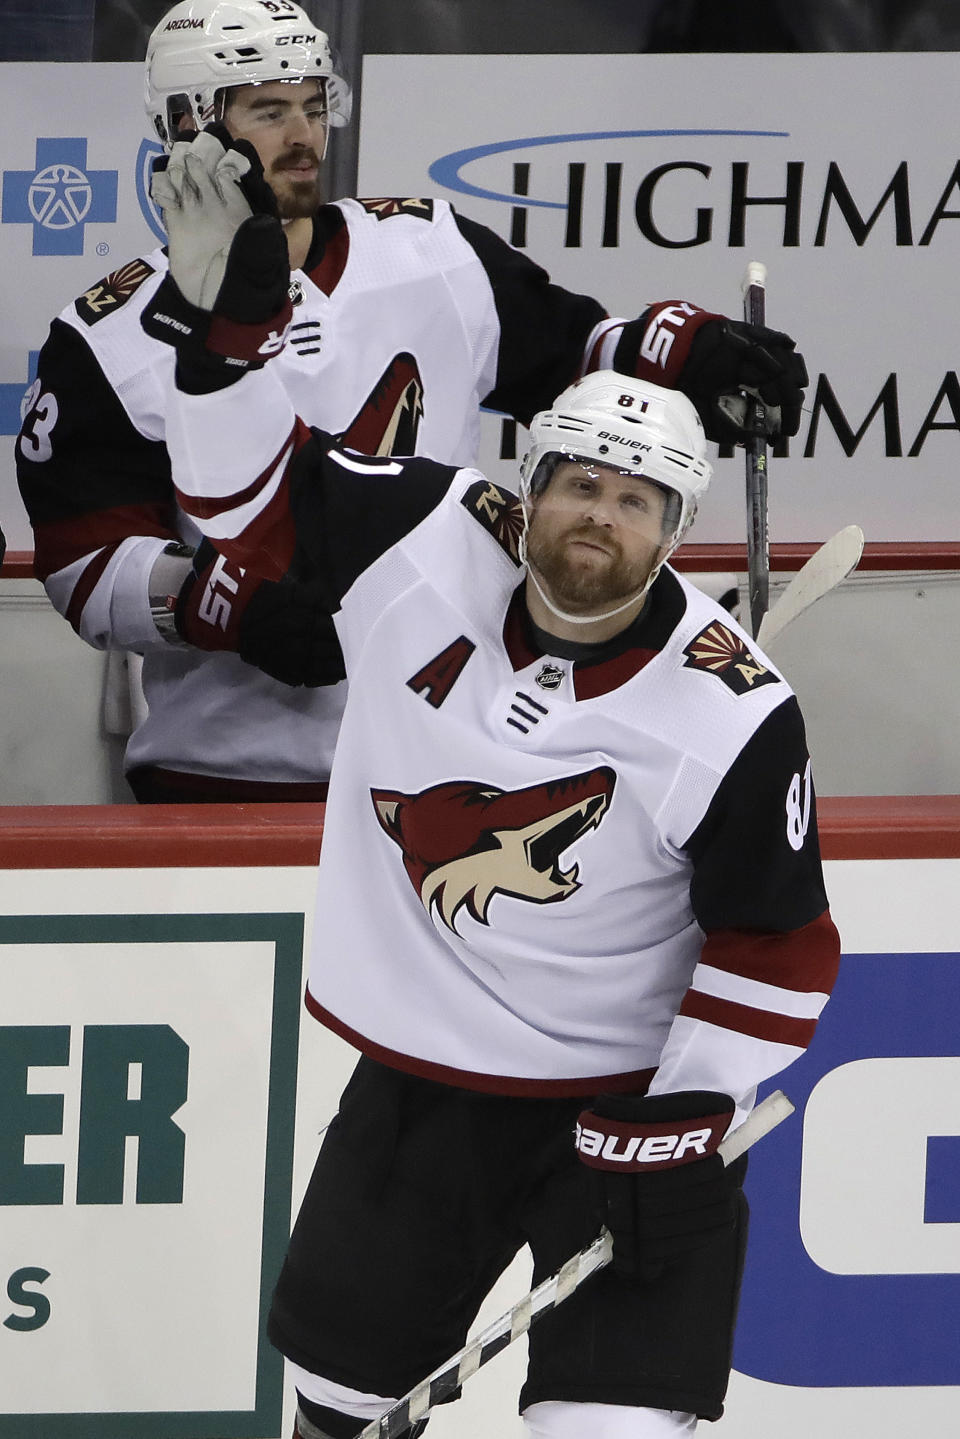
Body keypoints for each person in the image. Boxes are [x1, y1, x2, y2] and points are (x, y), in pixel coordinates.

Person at [149, 127, 841, 1438]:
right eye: (578, 482)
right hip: (431, 1089)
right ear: (525, 494)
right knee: (333, 1414)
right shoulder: (417, 532)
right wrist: (229, 336)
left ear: (675, 529)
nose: (601, 515)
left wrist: (690, 1101)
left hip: (630, 1108)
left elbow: (783, 940)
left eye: (638, 500)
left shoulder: (732, 708)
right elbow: (237, 499)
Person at [15, 0, 807, 804]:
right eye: (269, 110)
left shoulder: (432, 249)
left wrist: (685, 355)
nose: (304, 137)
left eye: (315, 106)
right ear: (188, 125)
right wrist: (233, 609)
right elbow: (82, 564)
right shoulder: (107, 337)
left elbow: (576, 357)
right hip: (228, 771)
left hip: (440, 766)